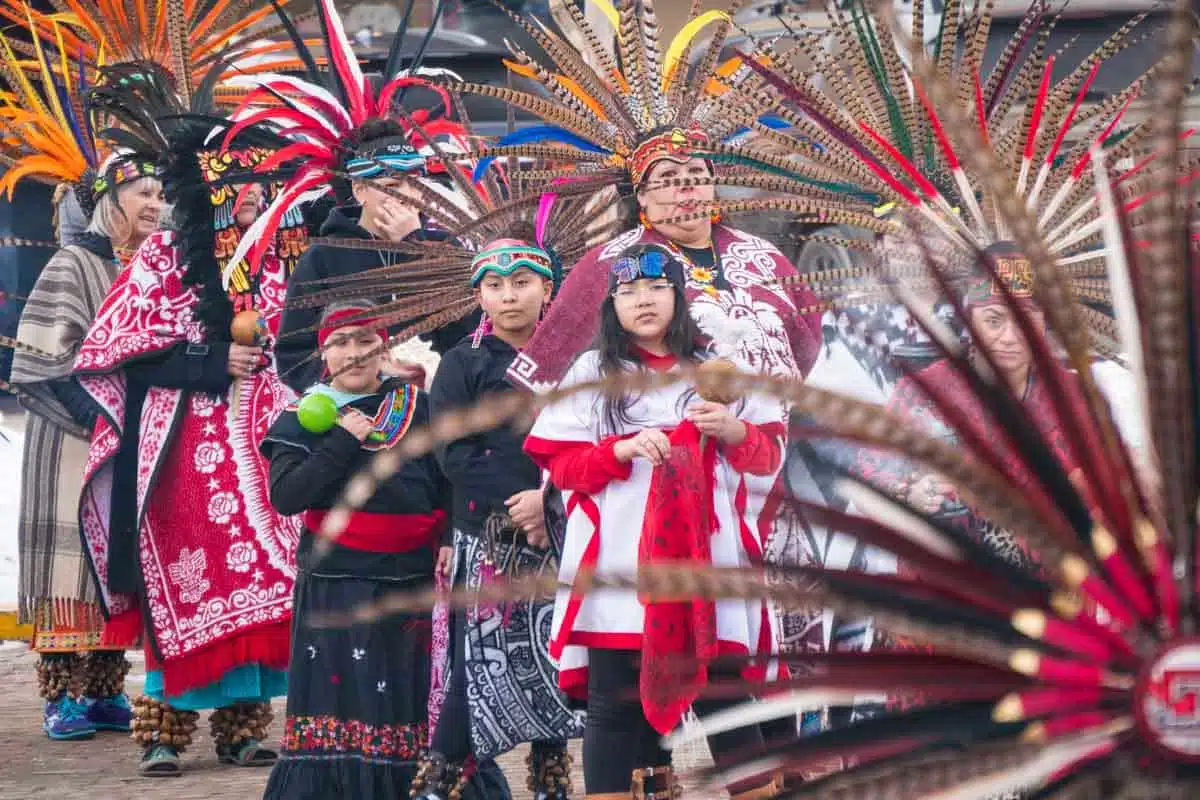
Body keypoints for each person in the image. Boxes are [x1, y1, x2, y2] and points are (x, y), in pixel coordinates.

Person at [74, 64, 302, 776]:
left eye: (261, 189)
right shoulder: (161, 260)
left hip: (261, 446)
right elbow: (113, 355)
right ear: (206, 190)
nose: (250, 200)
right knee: (185, 581)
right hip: (178, 453)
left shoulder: (275, 266)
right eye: (236, 189)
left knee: (264, 584)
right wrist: (210, 367)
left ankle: (242, 729)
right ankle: (162, 732)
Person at [524, 244, 787, 799]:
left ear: (679, 297)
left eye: (656, 288)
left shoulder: (720, 366)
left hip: (705, 559)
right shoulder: (592, 373)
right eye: (628, 292)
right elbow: (563, 466)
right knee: (613, 699)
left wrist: (732, 431)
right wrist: (618, 452)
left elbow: (768, 459)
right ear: (611, 304)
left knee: (724, 695)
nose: (643, 301)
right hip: (621, 564)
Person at [260, 301, 448, 799]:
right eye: (341, 342)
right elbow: (287, 497)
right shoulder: (303, 416)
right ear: (324, 352)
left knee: (409, 702)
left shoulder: (421, 408)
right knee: (343, 706)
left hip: (412, 580)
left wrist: (450, 538)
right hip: (337, 585)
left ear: (383, 347)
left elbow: (450, 480)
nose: (354, 353)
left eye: (365, 340)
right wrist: (340, 443)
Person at [9, 136, 161, 739]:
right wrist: (101, 417)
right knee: (68, 564)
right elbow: (41, 358)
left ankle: (102, 691)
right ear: (110, 201)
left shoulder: (148, 269)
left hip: (126, 439)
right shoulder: (73, 264)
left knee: (112, 563)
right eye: (143, 193)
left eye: (159, 195)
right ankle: (60, 696)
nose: (155, 205)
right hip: (73, 436)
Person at [424, 231, 582, 800]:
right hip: (488, 534)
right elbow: (452, 450)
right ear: (479, 296)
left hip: (563, 528)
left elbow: (588, 434)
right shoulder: (460, 364)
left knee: (554, 657)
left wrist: (550, 503)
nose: (509, 296)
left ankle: (551, 781)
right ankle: (437, 782)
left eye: (521, 283)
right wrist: (519, 502)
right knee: (478, 664)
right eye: (495, 286)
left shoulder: (576, 360)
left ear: (548, 288)